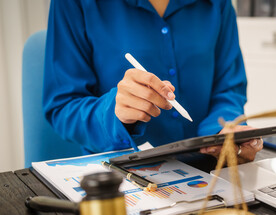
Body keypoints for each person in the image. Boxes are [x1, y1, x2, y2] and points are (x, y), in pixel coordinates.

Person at [43, 0, 263, 165]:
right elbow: (62, 107)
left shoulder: (218, 5)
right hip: (121, 177)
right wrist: (115, 113)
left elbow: (229, 90)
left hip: (210, 171)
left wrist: (222, 132)